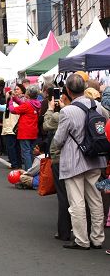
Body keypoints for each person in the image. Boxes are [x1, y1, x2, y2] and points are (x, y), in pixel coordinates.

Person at [53, 73, 107, 250]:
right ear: (84, 88)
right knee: (95, 199)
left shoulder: (67, 111)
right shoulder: (98, 106)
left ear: (67, 90)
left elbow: (59, 140)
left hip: (74, 160)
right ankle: (97, 238)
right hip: (96, 157)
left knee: (77, 202)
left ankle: (81, 240)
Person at [43, 89, 72, 242]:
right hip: (86, 159)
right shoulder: (95, 109)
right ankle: (90, 233)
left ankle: (64, 231)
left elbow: (46, 126)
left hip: (61, 159)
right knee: (85, 198)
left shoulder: (60, 115)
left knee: (64, 195)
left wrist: (50, 108)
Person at [9, 85, 41, 171]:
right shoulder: (37, 103)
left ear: (28, 94)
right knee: (30, 152)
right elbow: (23, 104)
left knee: (26, 153)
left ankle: (29, 172)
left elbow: (13, 110)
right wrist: (15, 98)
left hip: (25, 132)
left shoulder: (27, 104)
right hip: (33, 131)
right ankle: (33, 171)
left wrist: (11, 100)